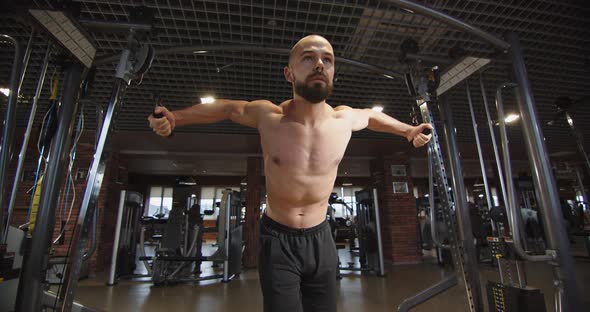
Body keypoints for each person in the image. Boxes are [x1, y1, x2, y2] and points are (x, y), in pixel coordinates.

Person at [148, 34, 432, 312]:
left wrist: (408, 130)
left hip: (322, 238)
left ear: (334, 72)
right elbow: (227, 108)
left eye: (327, 60)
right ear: (289, 73)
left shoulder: (343, 119)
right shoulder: (269, 117)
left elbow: (372, 116)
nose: (320, 64)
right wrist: (177, 117)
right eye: (308, 58)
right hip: (278, 240)